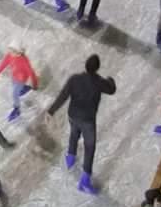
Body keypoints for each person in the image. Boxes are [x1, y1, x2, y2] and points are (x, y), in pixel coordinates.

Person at [47, 53, 117, 195]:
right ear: (97, 68)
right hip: (88, 121)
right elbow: (111, 90)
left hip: (73, 115)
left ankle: (70, 157)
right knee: (89, 147)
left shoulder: (75, 79)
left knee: (74, 133)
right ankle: (84, 181)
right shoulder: (99, 82)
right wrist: (110, 80)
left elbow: (63, 95)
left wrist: (51, 111)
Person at [0, 45, 39, 122]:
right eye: (10, 49)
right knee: (15, 87)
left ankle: (17, 109)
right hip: (14, 76)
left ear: (18, 53)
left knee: (14, 94)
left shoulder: (24, 61)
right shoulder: (9, 55)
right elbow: (3, 64)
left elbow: (31, 73)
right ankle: (24, 88)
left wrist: (35, 84)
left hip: (21, 79)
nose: (10, 52)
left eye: (12, 50)